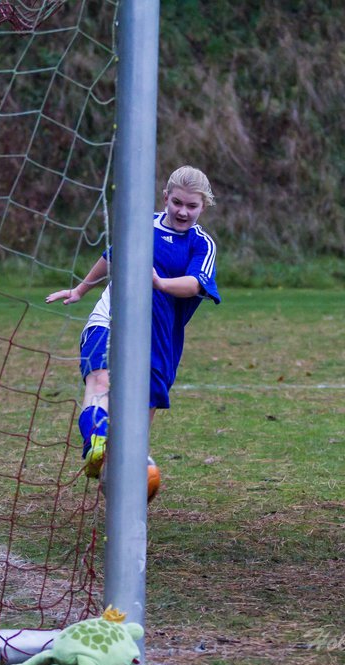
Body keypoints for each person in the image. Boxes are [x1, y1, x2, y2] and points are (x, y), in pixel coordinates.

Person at [45, 165, 220, 498]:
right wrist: (81, 290)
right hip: (111, 317)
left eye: (192, 206)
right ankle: (96, 440)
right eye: (177, 202)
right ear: (165, 197)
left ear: (203, 207)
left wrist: (159, 283)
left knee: (137, 425)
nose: (183, 211)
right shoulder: (141, 226)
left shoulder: (202, 245)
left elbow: (195, 284)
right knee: (100, 382)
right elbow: (111, 258)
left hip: (160, 339)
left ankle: (123, 481)